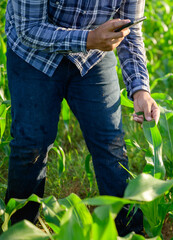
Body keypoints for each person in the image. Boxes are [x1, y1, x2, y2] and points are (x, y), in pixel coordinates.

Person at [4, 0, 159, 236]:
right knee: (30, 146)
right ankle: (19, 231)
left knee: (111, 144)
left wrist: (140, 90)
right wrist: (88, 39)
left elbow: (130, 31)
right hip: (33, 54)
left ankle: (129, 233)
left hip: (92, 56)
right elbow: (29, 29)